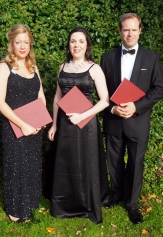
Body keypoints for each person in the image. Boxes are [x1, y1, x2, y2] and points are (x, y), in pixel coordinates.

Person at [100, 13, 163, 224]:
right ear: (119, 31)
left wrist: (136, 106)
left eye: (133, 29)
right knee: (114, 162)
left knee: (136, 164)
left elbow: (159, 89)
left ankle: (132, 204)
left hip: (138, 122)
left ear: (140, 31)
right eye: (125, 29)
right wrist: (112, 109)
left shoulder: (152, 58)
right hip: (114, 121)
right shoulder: (107, 58)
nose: (129, 33)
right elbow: (101, 93)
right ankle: (117, 194)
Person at [48, 27, 110, 224]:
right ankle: (65, 205)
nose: (76, 45)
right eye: (73, 41)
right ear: (69, 44)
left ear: (87, 45)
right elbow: (58, 97)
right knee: (66, 163)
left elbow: (105, 101)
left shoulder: (95, 68)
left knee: (86, 163)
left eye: (81, 41)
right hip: (65, 125)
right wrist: (54, 125)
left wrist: (82, 115)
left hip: (87, 125)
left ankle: (88, 204)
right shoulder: (62, 67)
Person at [0, 24, 46, 222]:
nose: (22, 46)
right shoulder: (4, 66)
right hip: (14, 126)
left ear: (30, 44)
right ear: (11, 43)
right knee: (16, 166)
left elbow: (40, 94)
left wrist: (41, 118)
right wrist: (22, 124)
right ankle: (15, 212)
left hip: (34, 126)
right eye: (18, 42)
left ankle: (30, 204)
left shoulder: (33, 66)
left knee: (31, 165)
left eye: (26, 42)